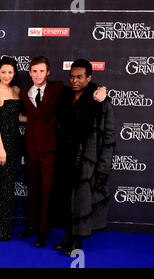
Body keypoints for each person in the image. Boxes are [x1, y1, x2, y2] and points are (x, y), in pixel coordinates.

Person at [18, 56, 106, 248]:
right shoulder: (24, 92)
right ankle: (32, 225)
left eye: (42, 71)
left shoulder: (58, 88)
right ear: (30, 72)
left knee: (48, 192)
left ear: (48, 72)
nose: (38, 74)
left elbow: (84, 87)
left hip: (51, 149)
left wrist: (102, 89)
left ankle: (43, 232)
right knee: (33, 189)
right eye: (34, 71)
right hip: (31, 148)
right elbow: (27, 116)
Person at [55, 59, 115, 256]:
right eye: (72, 76)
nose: (74, 80)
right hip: (66, 158)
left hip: (88, 160)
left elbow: (108, 137)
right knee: (65, 201)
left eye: (80, 77)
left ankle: (77, 240)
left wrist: (103, 168)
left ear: (89, 78)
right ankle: (68, 235)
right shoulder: (65, 96)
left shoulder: (100, 101)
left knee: (81, 202)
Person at [0, 57, 27, 241]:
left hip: (14, 143)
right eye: (3, 72)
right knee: (2, 187)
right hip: (1, 144)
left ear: (14, 73)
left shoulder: (17, 90)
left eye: (10, 72)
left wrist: (40, 118)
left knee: (9, 187)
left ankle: (5, 230)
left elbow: (19, 117)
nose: (6, 75)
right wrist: (0, 148)